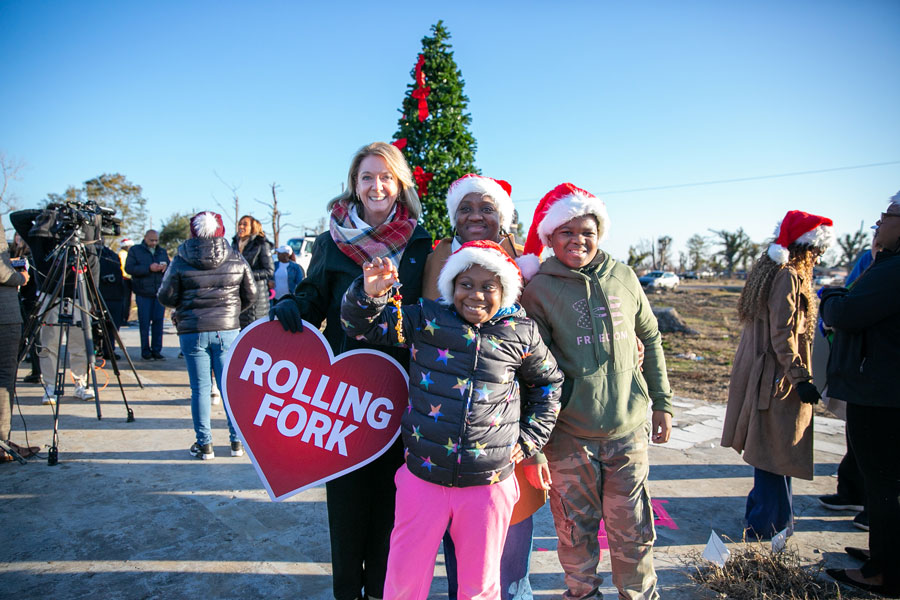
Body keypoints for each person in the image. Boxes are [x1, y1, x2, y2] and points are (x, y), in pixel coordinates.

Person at [341, 240, 562, 599]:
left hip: (488, 486)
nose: (476, 295)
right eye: (466, 284)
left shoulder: (521, 332)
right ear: (451, 286)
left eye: (489, 286)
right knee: (403, 581)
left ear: (504, 290)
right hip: (422, 480)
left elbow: (549, 384)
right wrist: (368, 294)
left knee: (480, 586)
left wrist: (528, 440)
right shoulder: (426, 318)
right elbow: (362, 327)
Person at [271, 141, 433, 600]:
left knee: (390, 504)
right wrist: (292, 306)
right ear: (354, 185)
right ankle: (347, 591)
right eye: (367, 177)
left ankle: (381, 591)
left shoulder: (422, 243)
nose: (376, 185)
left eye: (385, 176)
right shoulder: (331, 241)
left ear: (399, 183)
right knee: (345, 504)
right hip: (345, 396)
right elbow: (313, 296)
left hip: (404, 391)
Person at [518, 183, 673, 600]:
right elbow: (533, 371)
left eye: (586, 231)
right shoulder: (539, 291)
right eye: (566, 232)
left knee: (634, 530)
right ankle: (582, 594)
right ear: (549, 238)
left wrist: (661, 402)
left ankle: (638, 595)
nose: (577, 240)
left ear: (599, 232)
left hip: (627, 431)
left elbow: (650, 337)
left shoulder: (622, 276)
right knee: (574, 531)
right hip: (569, 438)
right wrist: (537, 439)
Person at [421, 173, 539, 600]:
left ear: (503, 217)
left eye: (487, 208)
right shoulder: (438, 258)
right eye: (466, 208)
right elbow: (416, 333)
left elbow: (550, 337)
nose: (476, 215)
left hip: (511, 425)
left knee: (512, 540)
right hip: (451, 430)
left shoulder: (528, 261)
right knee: (465, 546)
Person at [721, 210, 833, 540]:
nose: (818, 258)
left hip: (770, 375)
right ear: (805, 249)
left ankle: (772, 521)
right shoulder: (787, 276)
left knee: (774, 453)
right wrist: (800, 378)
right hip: (777, 380)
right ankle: (766, 526)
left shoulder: (778, 272)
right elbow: (782, 334)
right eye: (817, 252)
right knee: (774, 454)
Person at [822, 194, 900, 598]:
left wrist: (832, 295)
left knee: (886, 483)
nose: (879, 225)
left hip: (883, 395)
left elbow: (847, 313)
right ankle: (881, 554)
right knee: (883, 481)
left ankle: (881, 572)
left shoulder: (892, 269)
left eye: (885, 218)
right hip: (885, 390)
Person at [157, 211, 255, 460]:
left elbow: (165, 296)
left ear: (193, 231)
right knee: (230, 388)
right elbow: (250, 293)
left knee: (200, 389)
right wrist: (231, 313)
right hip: (227, 330)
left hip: (193, 331)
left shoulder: (180, 260)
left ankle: (205, 445)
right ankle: (237, 443)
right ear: (220, 230)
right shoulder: (235, 257)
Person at [10, 207, 101, 404]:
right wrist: (47, 214)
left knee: (80, 343)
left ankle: (80, 384)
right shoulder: (41, 235)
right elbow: (16, 218)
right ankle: (50, 386)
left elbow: (93, 265)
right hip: (49, 294)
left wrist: (93, 300)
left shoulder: (81, 234)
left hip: (78, 295)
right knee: (48, 344)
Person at [1, 213, 38, 461]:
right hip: (4, 315)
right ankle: (2, 443)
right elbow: (2, 274)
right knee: (4, 379)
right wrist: (19, 277)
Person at [125, 230, 169, 360]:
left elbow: (170, 267)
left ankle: (156, 350)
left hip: (159, 293)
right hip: (143, 293)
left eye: (156, 240)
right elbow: (129, 268)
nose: (154, 243)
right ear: (145, 238)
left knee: (158, 323)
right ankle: (145, 351)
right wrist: (148, 268)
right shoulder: (135, 251)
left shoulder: (162, 251)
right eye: (151, 240)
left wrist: (165, 267)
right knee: (144, 324)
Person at [232, 215, 274, 329]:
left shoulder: (261, 244)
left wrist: (246, 276)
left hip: (257, 300)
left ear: (253, 227)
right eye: (240, 224)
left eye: (245, 224)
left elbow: (269, 271)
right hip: (239, 298)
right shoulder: (234, 244)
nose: (241, 226)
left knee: (255, 336)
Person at [118, 238, 135, 325]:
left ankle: (125, 318)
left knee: (127, 300)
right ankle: (123, 319)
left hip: (128, 279)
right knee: (125, 300)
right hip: (125, 279)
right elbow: (124, 269)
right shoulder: (122, 254)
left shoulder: (127, 254)